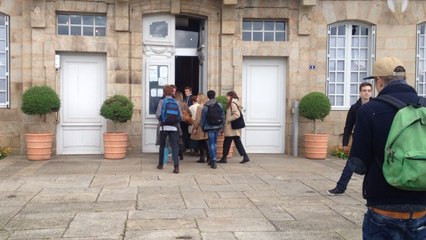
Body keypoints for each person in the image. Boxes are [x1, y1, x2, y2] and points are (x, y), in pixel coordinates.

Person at [349, 56, 426, 239]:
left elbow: (358, 164)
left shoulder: (369, 110)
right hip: (422, 208)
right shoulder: (423, 107)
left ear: (379, 81)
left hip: (384, 207)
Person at [327, 82, 372, 195]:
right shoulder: (354, 108)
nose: (367, 93)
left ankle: (373, 189)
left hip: (373, 140)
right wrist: (345, 142)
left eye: (369, 90)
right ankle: (340, 187)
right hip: (359, 140)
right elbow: (348, 126)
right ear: (360, 92)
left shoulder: (375, 105)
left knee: (374, 166)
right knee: (350, 164)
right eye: (364, 90)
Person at [156, 85, 183, 174]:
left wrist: (163, 120)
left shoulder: (161, 101)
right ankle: (176, 167)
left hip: (164, 127)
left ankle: (160, 164)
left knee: (163, 145)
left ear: (164, 92)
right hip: (174, 127)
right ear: (172, 92)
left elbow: (157, 115)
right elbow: (181, 116)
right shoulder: (176, 102)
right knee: (174, 147)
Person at [218, 91, 250, 164]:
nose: (226, 98)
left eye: (227, 96)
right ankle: (244, 156)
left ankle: (224, 158)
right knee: (233, 142)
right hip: (233, 128)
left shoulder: (232, 104)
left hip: (231, 127)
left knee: (227, 142)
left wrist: (228, 118)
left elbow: (237, 114)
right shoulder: (234, 103)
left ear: (230, 96)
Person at [201, 90, 224, 169]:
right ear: (215, 95)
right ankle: (212, 159)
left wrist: (203, 127)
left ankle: (213, 160)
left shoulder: (205, 106)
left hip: (209, 127)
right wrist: (222, 126)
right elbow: (222, 116)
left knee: (211, 144)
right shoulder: (219, 105)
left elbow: (203, 118)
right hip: (217, 126)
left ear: (208, 96)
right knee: (214, 143)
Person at [191, 93, 210, 163]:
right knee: (203, 142)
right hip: (206, 127)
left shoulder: (200, 107)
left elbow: (198, 119)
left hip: (200, 127)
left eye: (198, 97)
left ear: (201, 98)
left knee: (201, 143)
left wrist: (195, 128)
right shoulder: (207, 106)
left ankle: (204, 157)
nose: (197, 99)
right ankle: (206, 156)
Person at [174, 91, 188, 160]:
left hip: (176, 122)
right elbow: (190, 113)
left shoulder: (173, 103)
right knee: (182, 138)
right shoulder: (184, 104)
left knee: (175, 138)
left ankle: (176, 153)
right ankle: (181, 152)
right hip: (184, 122)